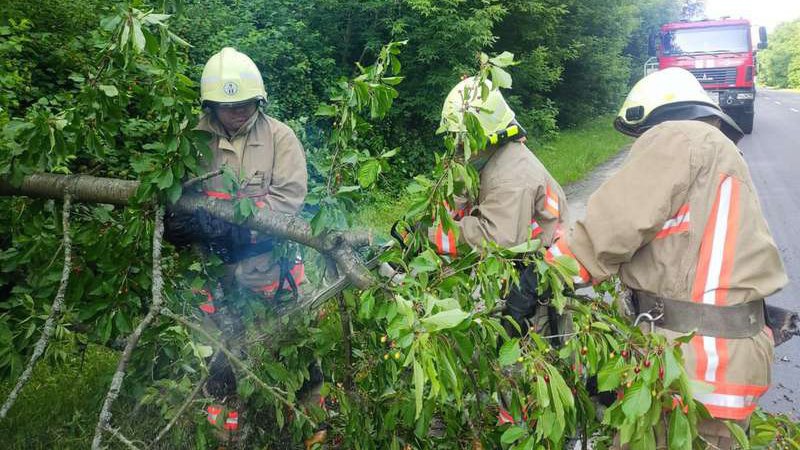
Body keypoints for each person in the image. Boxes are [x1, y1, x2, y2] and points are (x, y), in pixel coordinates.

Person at [546, 67, 787, 448]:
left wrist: (549, 273)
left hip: (696, 364)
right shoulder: (716, 152)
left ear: (655, 118)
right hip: (729, 357)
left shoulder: (680, 136)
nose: (642, 144)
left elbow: (616, 224)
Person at [164, 47, 310, 442]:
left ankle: (308, 425)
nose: (240, 112)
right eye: (230, 106)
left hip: (268, 268)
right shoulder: (192, 140)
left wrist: (238, 230)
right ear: (211, 106)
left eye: (247, 103)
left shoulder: (280, 137)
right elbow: (178, 193)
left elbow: (288, 201)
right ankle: (226, 431)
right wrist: (174, 224)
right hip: (211, 271)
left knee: (293, 348)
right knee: (217, 354)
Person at [432, 76, 570, 336]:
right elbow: (461, 196)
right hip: (524, 263)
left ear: (485, 136)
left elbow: (496, 239)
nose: (457, 146)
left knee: (540, 348)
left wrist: (433, 235)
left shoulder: (511, 177)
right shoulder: (490, 158)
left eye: (462, 138)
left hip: (542, 272)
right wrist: (430, 217)